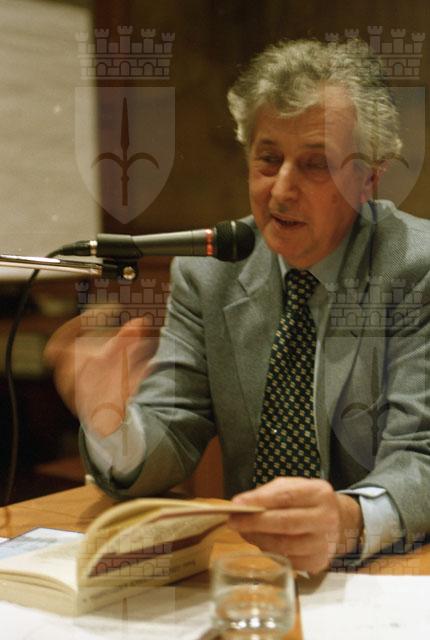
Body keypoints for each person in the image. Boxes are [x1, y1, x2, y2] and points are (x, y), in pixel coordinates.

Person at [45, 38, 430, 574]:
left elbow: (421, 455)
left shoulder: (416, 269)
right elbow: (171, 431)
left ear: (369, 179)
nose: (281, 191)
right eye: (268, 159)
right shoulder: (210, 273)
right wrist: (112, 425)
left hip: (391, 573)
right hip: (251, 570)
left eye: (315, 165)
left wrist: (348, 521)